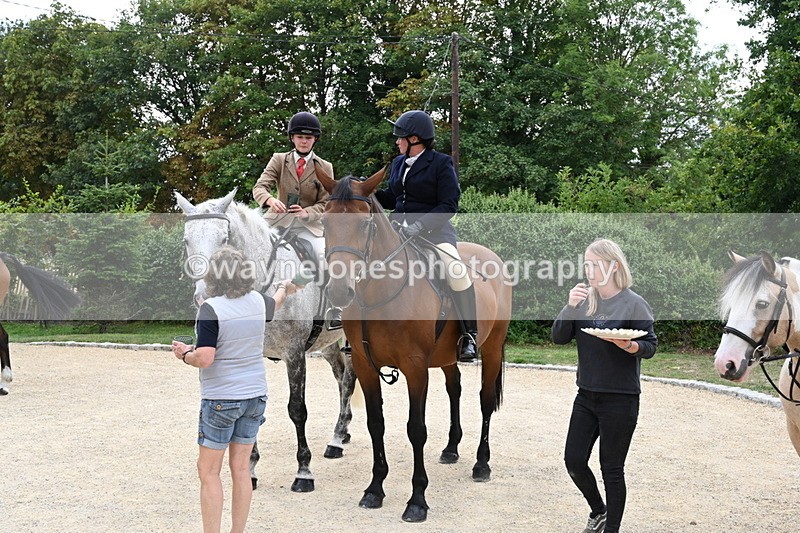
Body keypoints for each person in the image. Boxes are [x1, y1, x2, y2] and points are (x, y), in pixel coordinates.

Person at [171, 245, 302, 533]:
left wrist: (184, 354)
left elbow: (205, 358)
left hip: (221, 398)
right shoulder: (257, 301)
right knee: (241, 470)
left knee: (208, 472)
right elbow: (276, 302)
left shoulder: (211, 309)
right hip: (254, 395)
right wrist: (285, 287)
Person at [551, 238, 658, 533]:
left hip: (621, 399)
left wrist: (631, 345)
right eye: (586, 264)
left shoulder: (634, 303)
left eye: (595, 264)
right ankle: (598, 511)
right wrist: (569, 306)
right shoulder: (583, 300)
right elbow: (558, 337)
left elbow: (651, 345)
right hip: (586, 395)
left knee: (611, 469)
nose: (589, 270)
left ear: (613, 267)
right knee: (573, 460)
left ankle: (611, 529)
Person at [374, 109, 477, 362]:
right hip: (398, 234)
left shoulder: (441, 163)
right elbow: (394, 197)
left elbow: (449, 204)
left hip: (434, 234)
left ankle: (469, 335)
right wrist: (365, 191)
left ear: (415, 140)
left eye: (401, 138)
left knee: (455, 270)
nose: (396, 142)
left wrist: (420, 226)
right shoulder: (399, 163)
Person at [252, 111, 340, 327]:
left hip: (308, 227)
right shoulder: (279, 159)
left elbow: (327, 203)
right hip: (275, 223)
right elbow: (259, 187)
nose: (304, 141)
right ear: (292, 138)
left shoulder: (325, 166)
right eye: (300, 137)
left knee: (322, 256)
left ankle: (333, 308)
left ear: (315, 140)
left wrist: (306, 212)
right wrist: (271, 201)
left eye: (308, 138)